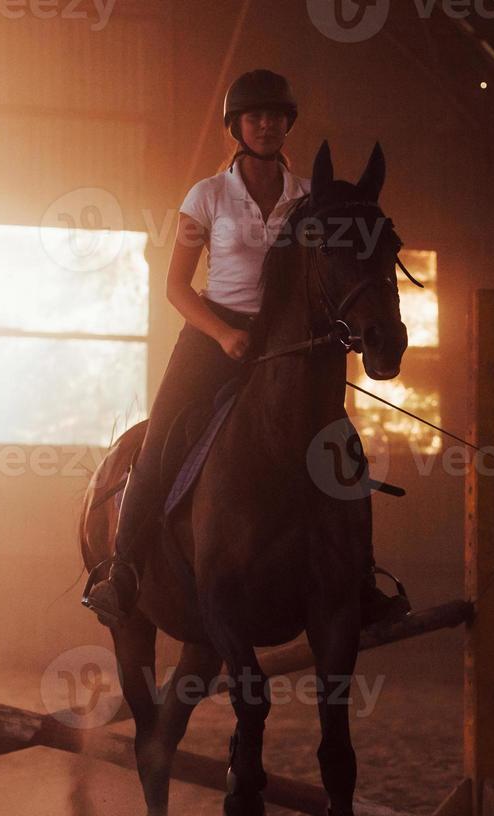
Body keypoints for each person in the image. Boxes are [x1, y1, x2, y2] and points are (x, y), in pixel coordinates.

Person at [82, 69, 409, 630]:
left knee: (342, 446)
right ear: (237, 126)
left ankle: (361, 575)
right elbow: (175, 287)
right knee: (160, 437)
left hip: (291, 340)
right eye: (255, 117)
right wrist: (225, 334)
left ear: (288, 124)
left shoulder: (309, 195)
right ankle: (124, 570)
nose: (266, 125)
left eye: (276, 117)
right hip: (215, 333)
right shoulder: (206, 196)